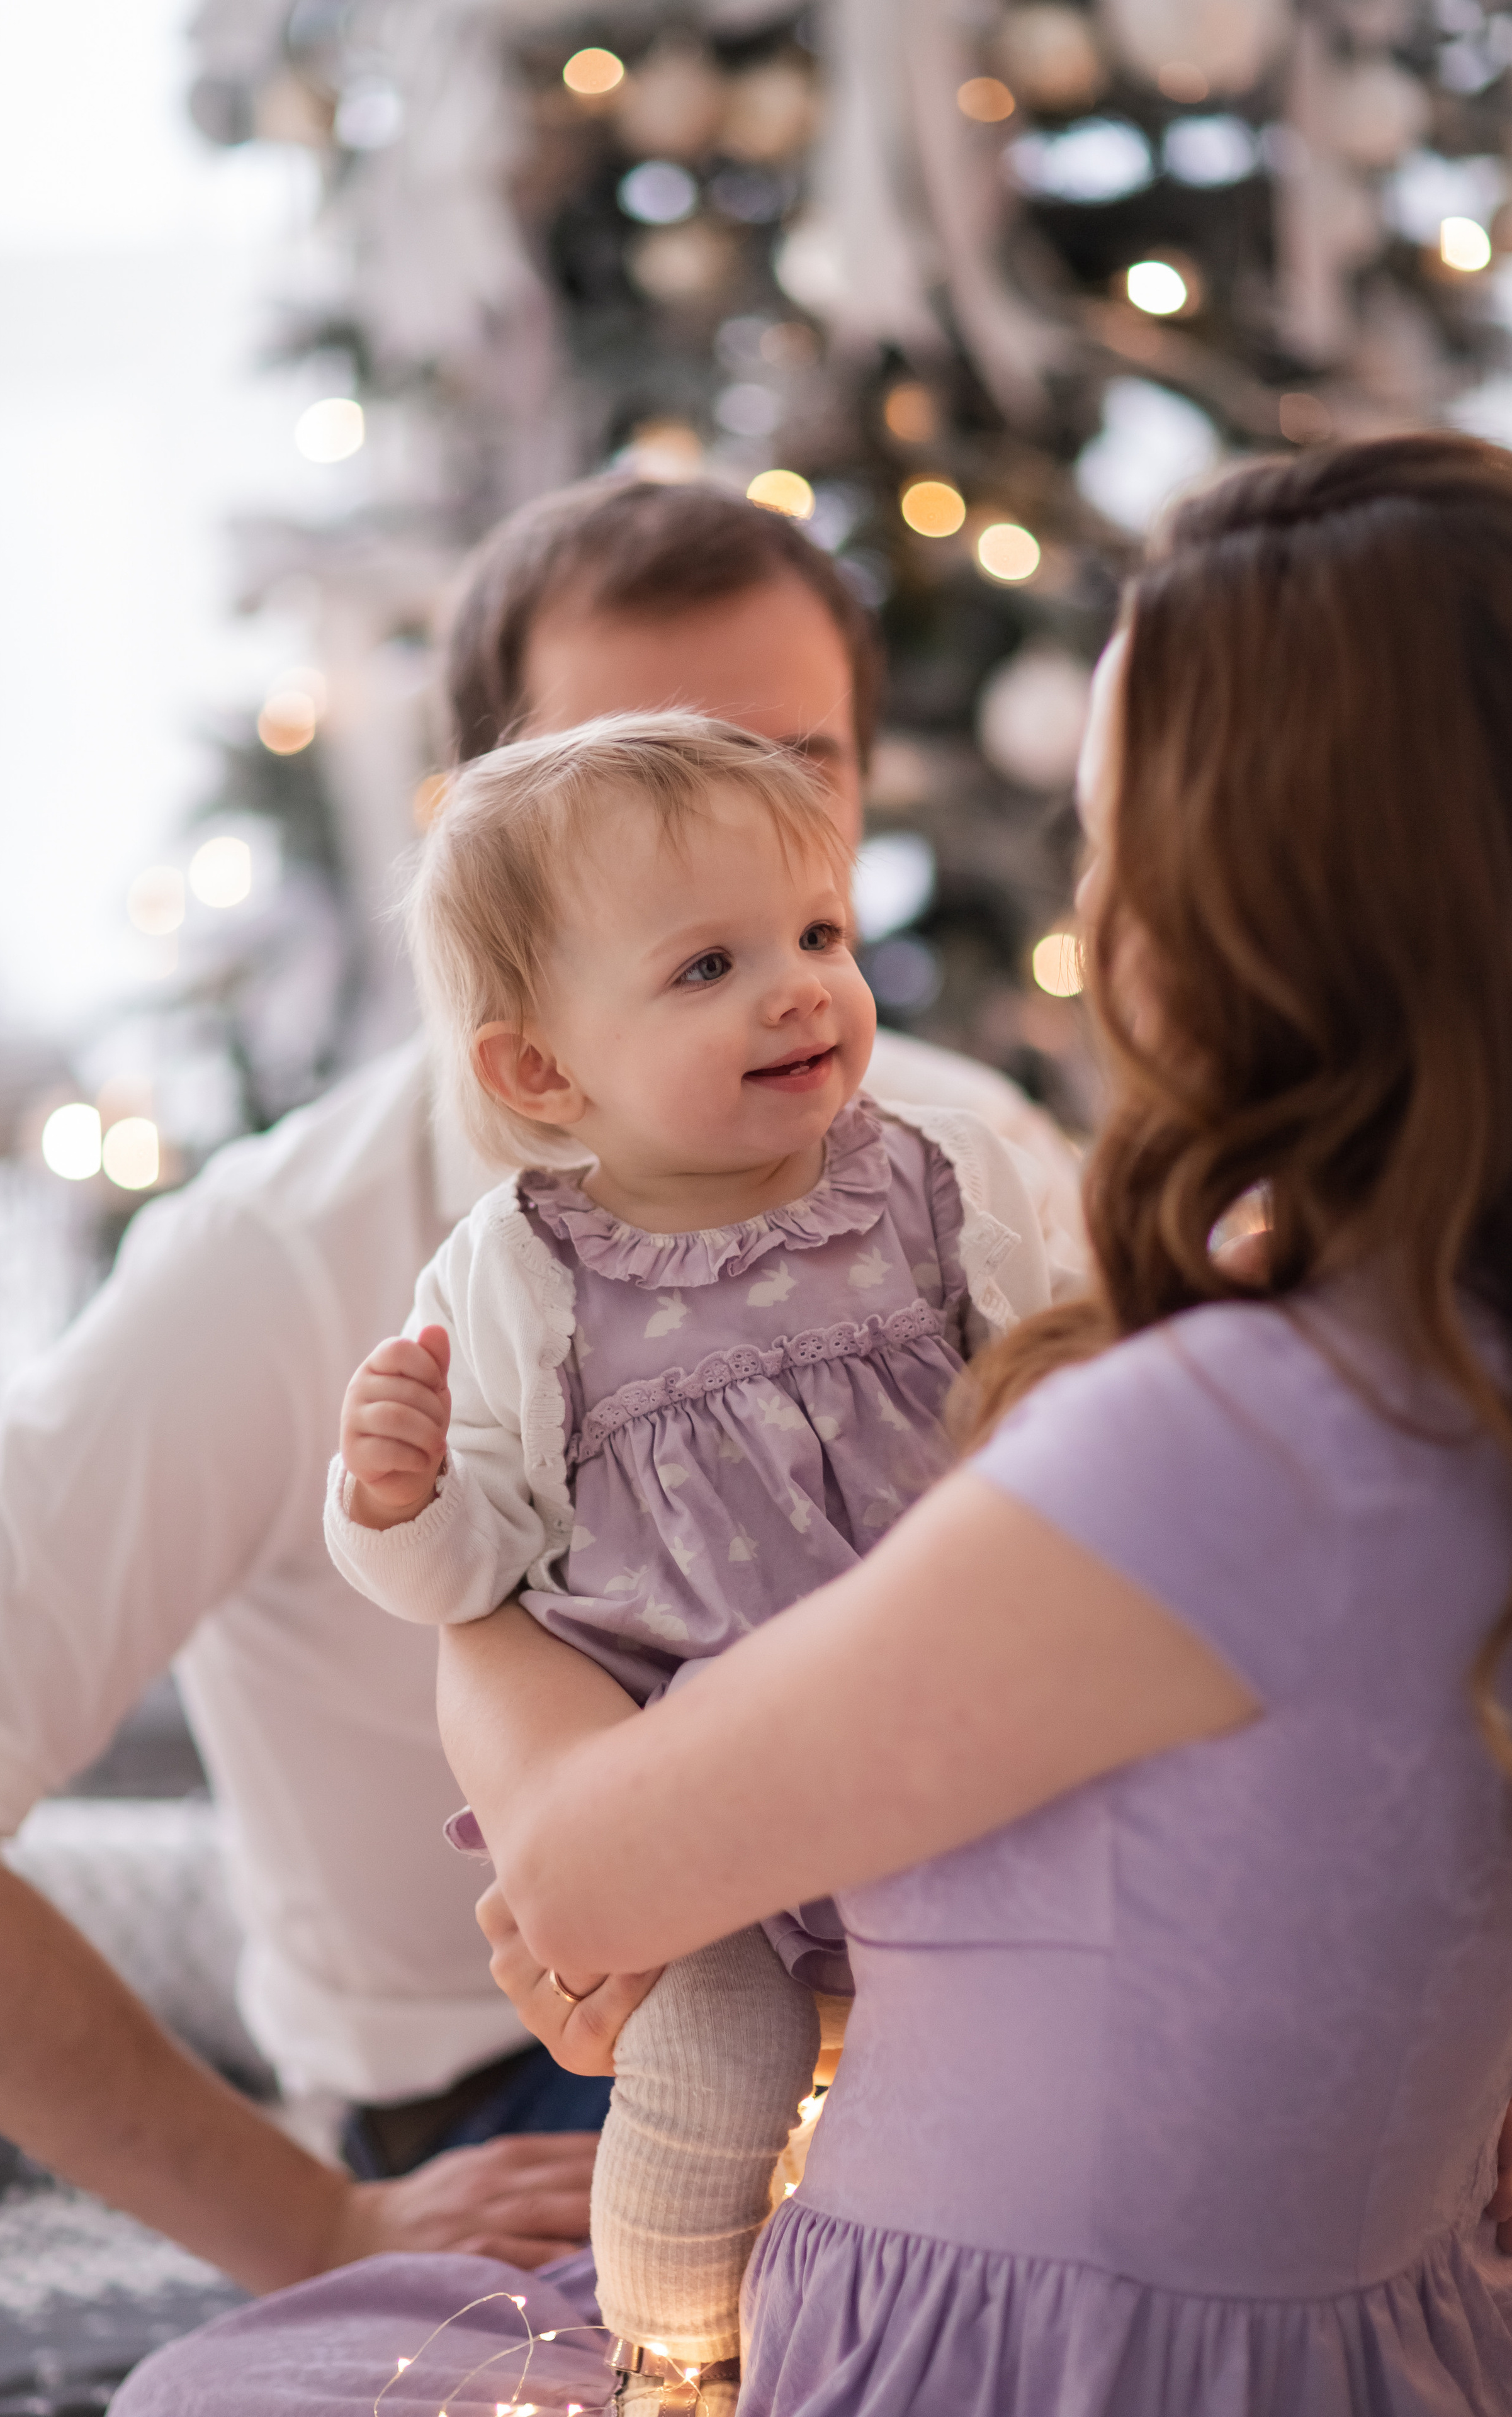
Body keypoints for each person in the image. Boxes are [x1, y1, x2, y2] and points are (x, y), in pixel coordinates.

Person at [115, 434, 1512, 2416]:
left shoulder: (1218, 1434)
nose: (1092, 902)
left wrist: (494, 1601)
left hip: (1039, 2357)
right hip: (1371, 2320)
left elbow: (595, 1876)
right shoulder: (1438, 1340)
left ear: (1259, 908)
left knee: (205, 2397)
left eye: (1115, 839)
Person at [0, 475, 1082, 2295]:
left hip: (976, 1957)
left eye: (798, 760)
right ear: (483, 829)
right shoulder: (290, 1257)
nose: (736, 824)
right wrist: (306, 2225)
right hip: (530, 2079)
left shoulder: (960, 1157)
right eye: (637, 765)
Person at [327, 713, 1054, 2409]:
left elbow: (1043, 1410)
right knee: (709, 2074)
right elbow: (478, 1572)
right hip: (688, 1789)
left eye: (819, 935)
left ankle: (933, 2339)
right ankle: (675, 2355)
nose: (802, 989)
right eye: (710, 964)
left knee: (985, 2077)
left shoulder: (936, 1186)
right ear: (539, 1072)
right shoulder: (515, 1280)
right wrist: (394, 1498)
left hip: (943, 1740)